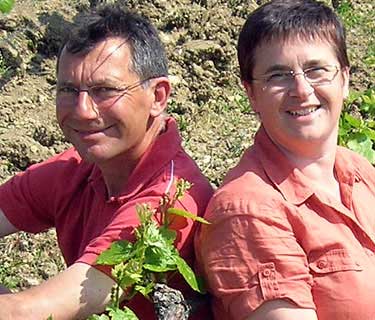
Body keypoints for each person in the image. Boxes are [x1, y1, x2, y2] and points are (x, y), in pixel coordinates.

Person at [0, 5, 213, 320]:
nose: (83, 110)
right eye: (69, 90)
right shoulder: (76, 168)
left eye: (104, 91)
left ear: (158, 97)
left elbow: (29, 314)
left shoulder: (169, 204)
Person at [196, 1, 375, 319]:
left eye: (316, 70)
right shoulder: (246, 211)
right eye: (278, 76)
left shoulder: (360, 172)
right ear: (251, 94)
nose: (302, 90)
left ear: (344, 79)